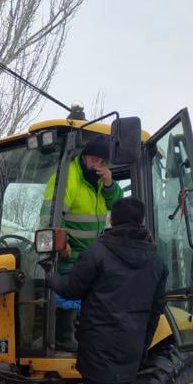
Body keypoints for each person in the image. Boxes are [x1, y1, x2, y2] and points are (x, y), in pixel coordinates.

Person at [43, 197, 168, 384]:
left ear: (113, 219)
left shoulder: (98, 252)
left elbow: (72, 288)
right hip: (132, 341)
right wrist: (143, 342)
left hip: (99, 340)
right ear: (141, 221)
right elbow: (156, 308)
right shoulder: (157, 261)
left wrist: (48, 276)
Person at [41, 135, 124, 350]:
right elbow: (51, 215)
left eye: (103, 162)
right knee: (68, 290)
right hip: (68, 253)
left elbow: (120, 209)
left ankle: (83, 334)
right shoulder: (67, 178)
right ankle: (64, 336)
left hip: (91, 253)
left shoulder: (101, 182)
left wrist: (109, 184)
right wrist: (61, 242)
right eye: (94, 159)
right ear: (85, 156)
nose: (98, 165)